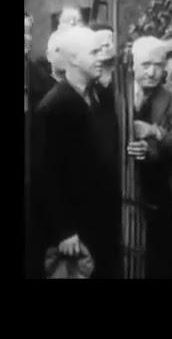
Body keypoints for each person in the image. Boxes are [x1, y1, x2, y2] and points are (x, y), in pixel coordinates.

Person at [33, 26, 121, 278]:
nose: (100, 58)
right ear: (73, 59)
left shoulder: (102, 98)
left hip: (103, 222)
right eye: (93, 52)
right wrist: (64, 230)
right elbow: (45, 175)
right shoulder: (54, 107)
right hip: (75, 231)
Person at [126, 36, 172, 278]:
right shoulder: (117, 93)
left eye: (158, 65)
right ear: (133, 64)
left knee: (159, 262)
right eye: (145, 65)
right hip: (120, 190)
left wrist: (154, 133)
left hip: (158, 190)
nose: (152, 72)